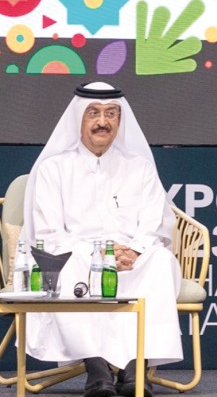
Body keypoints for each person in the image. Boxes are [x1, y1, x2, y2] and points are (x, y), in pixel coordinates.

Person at [22, 81, 183, 397]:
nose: (102, 122)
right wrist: (102, 255)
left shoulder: (139, 167)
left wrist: (135, 251)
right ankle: (98, 375)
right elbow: (49, 233)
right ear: (78, 119)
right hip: (78, 254)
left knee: (161, 259)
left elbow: (154, 221)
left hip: (131, 257)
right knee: (68, 263)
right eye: (93, 113)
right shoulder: (53, 169)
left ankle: (136, 372)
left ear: (120, 122)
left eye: (111, 114)